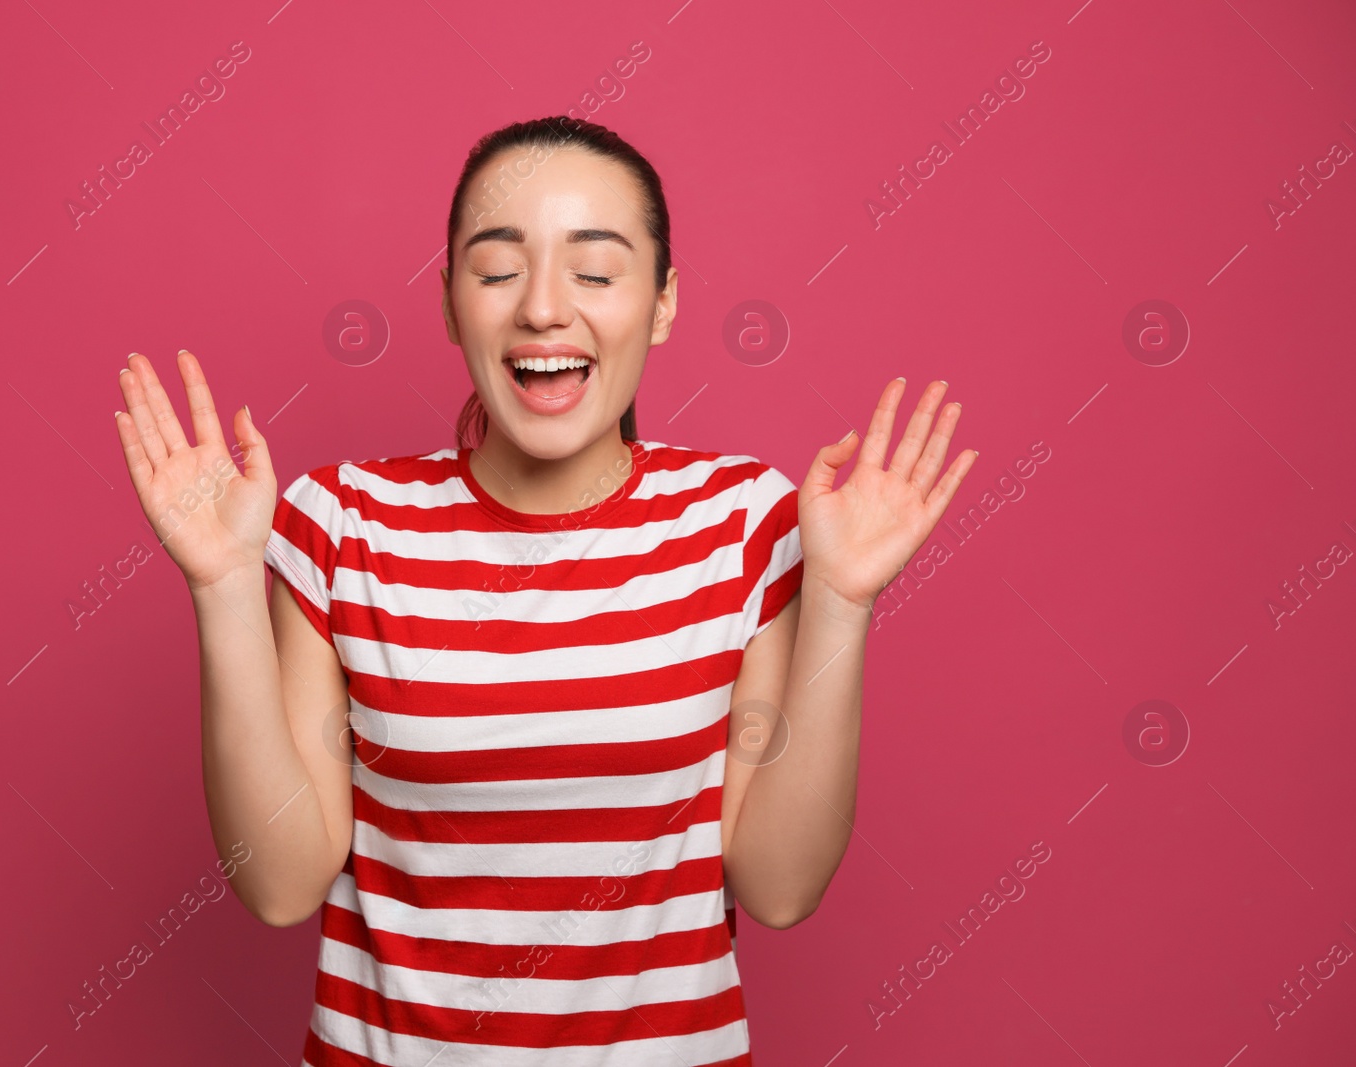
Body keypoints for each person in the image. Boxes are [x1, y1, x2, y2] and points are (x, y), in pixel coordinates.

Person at [113, 115, 975, 1065]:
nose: (543, 310)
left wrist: (843, 606)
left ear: (662, 303)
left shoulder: (743, 523)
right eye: (496, 271)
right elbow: (279, 885)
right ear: (449, 304)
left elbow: (780, 885)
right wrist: (225, 583)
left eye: (596, 272)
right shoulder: (343, 521)